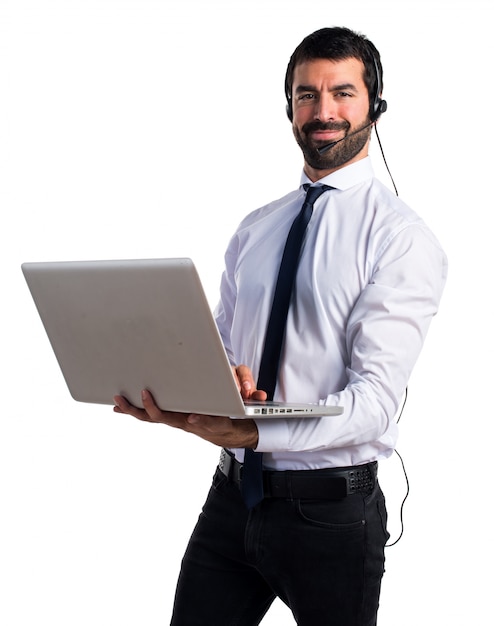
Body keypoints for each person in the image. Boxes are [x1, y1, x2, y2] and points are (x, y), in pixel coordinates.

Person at [113, 26, 447, 625]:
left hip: (330, 518)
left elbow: (373, 404)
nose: (323, 112)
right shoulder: (256, 229)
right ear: (288, 107)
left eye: (342, 93)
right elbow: (216, 345)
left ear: (375, 104)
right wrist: (187, 389)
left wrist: (256, 433)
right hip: (233, 498)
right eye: (306, 95)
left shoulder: (400, 240)